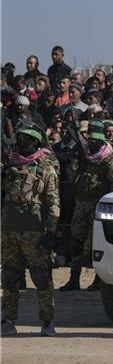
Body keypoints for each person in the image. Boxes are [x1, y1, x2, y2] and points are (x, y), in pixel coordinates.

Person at [1, 124, 60, 336]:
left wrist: (51, 232)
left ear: (35, 142)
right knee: (9, 276)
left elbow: (53, 203)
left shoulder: (45, 168)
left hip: (34, 231)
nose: (22, 143)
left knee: (41, 276)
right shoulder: (9, 165)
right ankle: (7, 320)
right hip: (9, 230)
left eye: (26, 139)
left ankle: (47, 322)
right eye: (20, 139)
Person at [60, 120, 113, 291]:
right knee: (76, 242)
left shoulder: (110, 162)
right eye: (90, 140)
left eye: (95, 141)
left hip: (98, 205)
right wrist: (73, 162)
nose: (92, 144)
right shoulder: (84, 157)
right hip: (81, 203)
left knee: (98, 244)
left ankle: (98, 279)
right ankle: (74, 278)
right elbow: (73, 179)